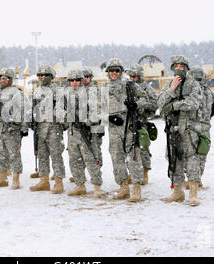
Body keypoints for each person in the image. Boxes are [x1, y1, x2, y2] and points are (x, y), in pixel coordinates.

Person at [103, 58, 150, 202]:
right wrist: (108, 118)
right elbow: (96, 110)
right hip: (114, 129)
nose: (114, 73)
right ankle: (123, 187)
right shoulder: (104, 89)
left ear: (121, 72)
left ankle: (136, 188)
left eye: (117, 70)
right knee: (117, 159)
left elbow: (146, 99)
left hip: (129, 127)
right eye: (111, 71)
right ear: (108, 72)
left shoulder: (130, 85)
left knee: (133, 158)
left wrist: (135, 104)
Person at [158, 55, 203, 206]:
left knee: (191, 161)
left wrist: (175, 106)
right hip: (172, 129)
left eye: (181, 66)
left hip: (188, 129)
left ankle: (194, 194)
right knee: (173, 159)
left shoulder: (193, 84)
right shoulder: (169, 84)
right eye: (176, 66)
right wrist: (172, 89)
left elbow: (194, 103)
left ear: (186, 68)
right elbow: (160, 102)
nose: (178, 69)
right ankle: (178, 192)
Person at [65, 69, 103, 198]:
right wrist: (68, 116)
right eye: (71, 80)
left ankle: (97, 186)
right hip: (72, 132)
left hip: (86, 132)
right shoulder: (65, 94)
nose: (74, 83)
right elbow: (57, 111)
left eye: (77, 80)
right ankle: (80, 185)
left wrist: (84, 120)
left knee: (91, 159)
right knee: (74, 159)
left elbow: (97, 111)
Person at [0, 68, 28, 189]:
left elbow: (24, 110)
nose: (2, 80)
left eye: (5, 78)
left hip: (12, 129)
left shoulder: (16, 93)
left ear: (10, 80)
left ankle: (16, 179)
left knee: (14, 155)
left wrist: (23, 127)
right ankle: (2, 178)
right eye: (1, 78)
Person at [29, 65, 66, 194]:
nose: (43, 77)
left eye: (45, 75)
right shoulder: (37, 91)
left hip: (53, 127)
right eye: (40, 75)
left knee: (56, 155)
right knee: (42, 155)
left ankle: (58, 182)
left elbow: (61, 109)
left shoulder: (57, 91)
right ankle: (44, 181)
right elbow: (32, 107)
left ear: (51, 77)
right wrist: (30, 119)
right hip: (40, 128)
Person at [127, 63, 158, 185]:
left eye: (135, 76)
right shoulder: (127, 87)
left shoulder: (147, 89)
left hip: (142, 122)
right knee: (129, 149)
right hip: (128, 123)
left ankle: (145, 173)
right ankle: (132, 173)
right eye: (131, 76)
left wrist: (140, 106)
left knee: (143, 149)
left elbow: (154, 104)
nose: (133, 78)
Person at [189, 66, 214, 188]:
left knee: (191, 155)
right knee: (202, 154)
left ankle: (192, 179)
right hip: (205, 127)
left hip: (192, 127)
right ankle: (198, 178)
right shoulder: (210, 92)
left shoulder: (191, 91)